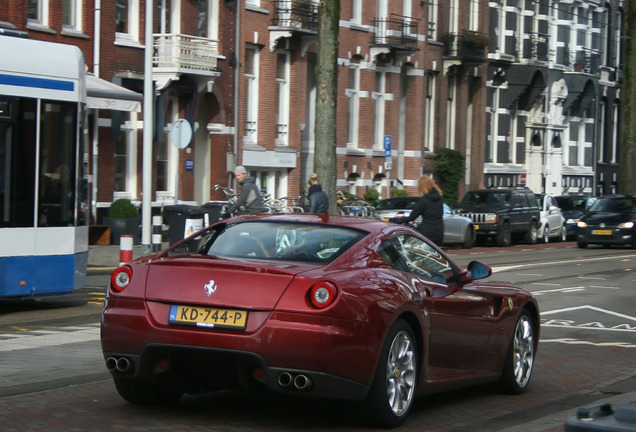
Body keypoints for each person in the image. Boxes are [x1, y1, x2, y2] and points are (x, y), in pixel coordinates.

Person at [392, 175, 444, 246]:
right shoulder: (439, 199)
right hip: (440, 230)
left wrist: (397, 220)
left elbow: (412, 217)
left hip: (427, 231)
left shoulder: (423, 200)